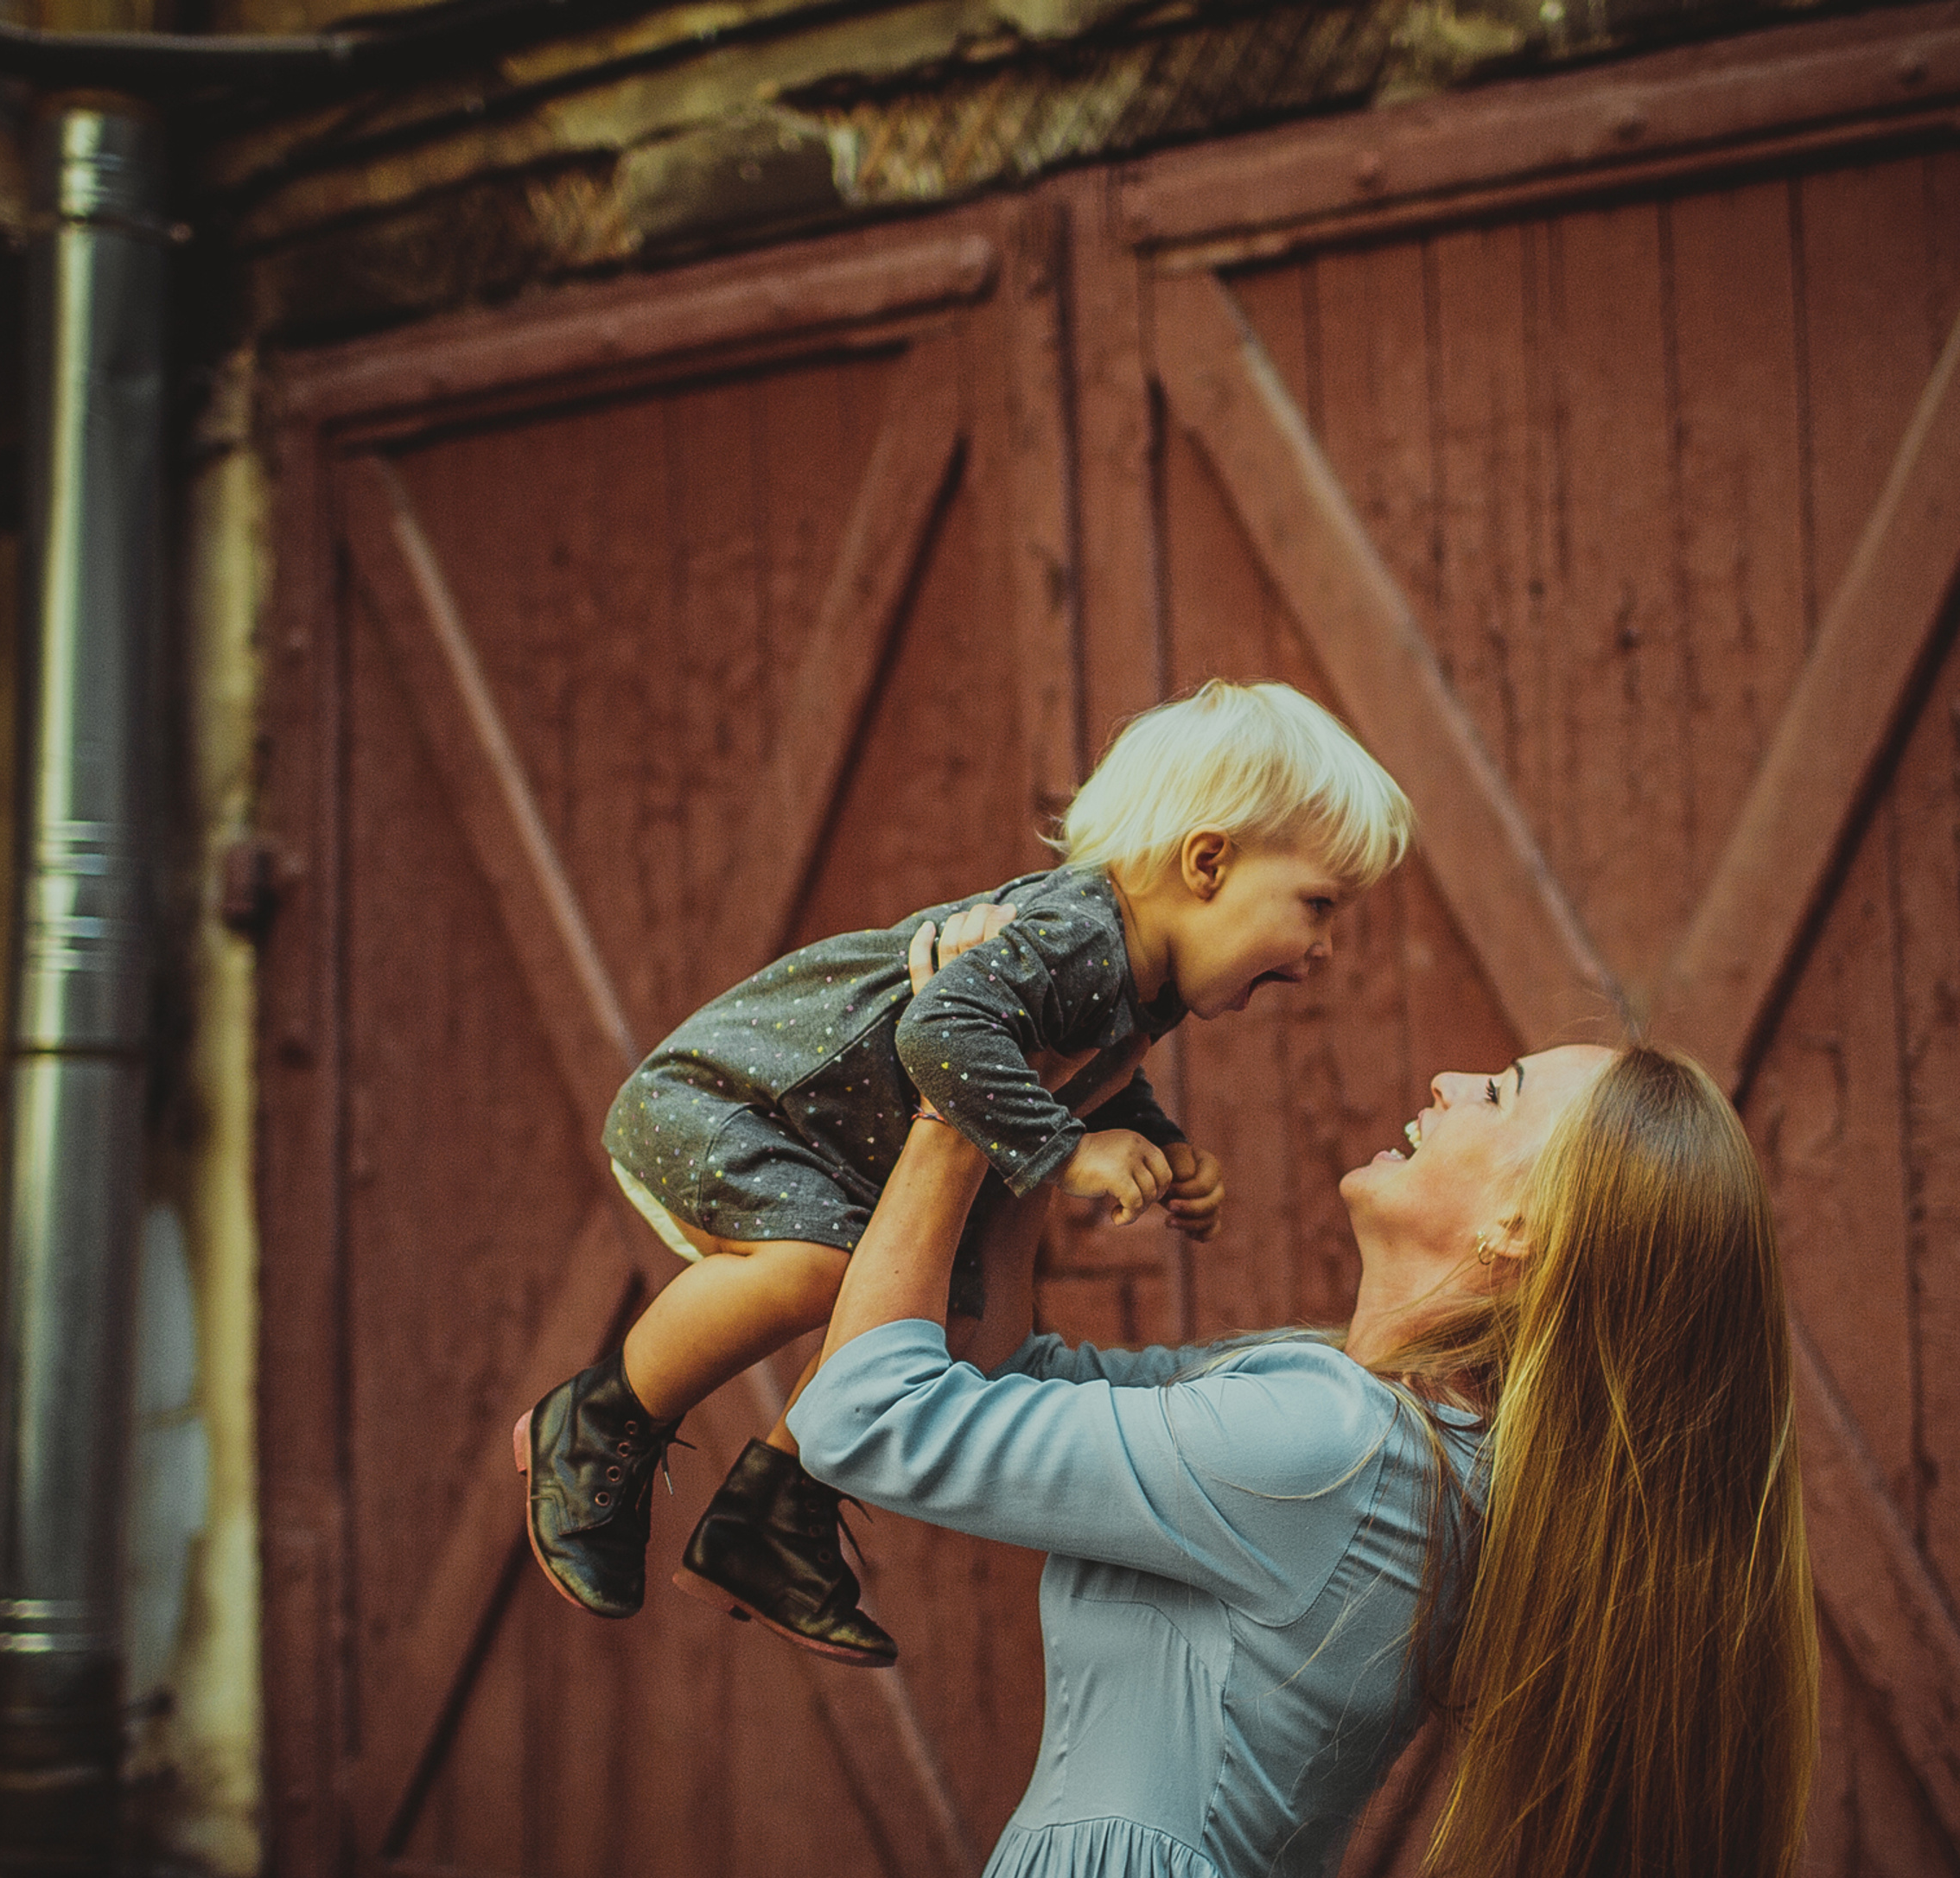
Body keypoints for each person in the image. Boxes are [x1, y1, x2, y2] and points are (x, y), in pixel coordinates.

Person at [786, 927, 1820, 1878]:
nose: (1447, 1087)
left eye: (1494, 1095)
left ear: (1520, 1228)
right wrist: (1034, 1123)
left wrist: (953, 1082)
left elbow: (864, 1419)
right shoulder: (1384, 1435)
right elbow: (1004, 1379)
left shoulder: (1331, 1449)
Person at [516, 679, 1416, 1664]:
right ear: (1208, 862)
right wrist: (1074, 1154)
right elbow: (940, 1025)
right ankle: (597, 1419)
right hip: (732, 1103)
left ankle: (773, 1514)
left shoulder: (1136, 981)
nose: (1325, 948)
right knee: (825, 1267)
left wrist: (1154, 1141)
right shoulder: (1081, 932)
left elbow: (1090, 1068)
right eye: (1317, 904)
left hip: (815, 1145)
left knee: (949, 1327)